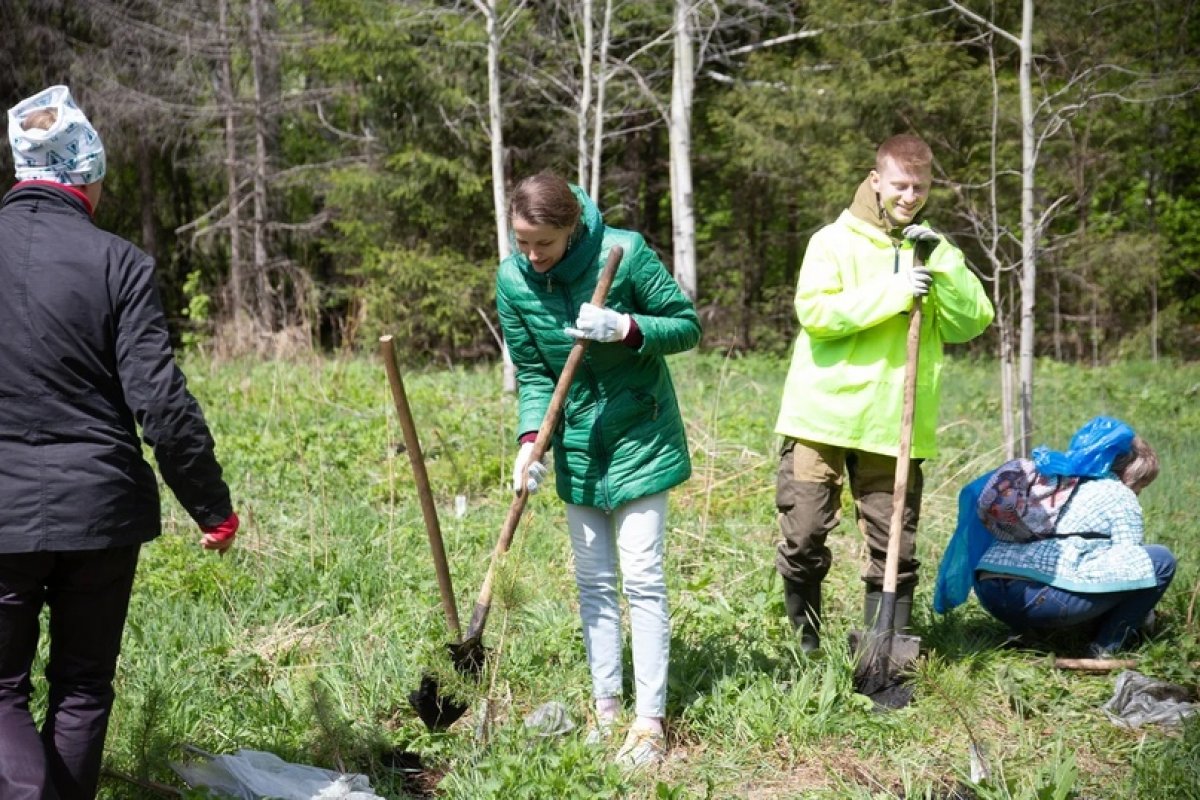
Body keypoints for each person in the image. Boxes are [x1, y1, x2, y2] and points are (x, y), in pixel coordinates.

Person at [0, 85, 239, 799]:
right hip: (100, 514)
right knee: (81, 686)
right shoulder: (120, 263)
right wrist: (212, 508)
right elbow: (162, 403)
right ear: (84, 175)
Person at [495, 172, 700, 768]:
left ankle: (649, 724)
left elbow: (686, 325)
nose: (532, 257)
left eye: (545, 244)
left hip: (641, 434)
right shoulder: (513, 280)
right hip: (579, 447)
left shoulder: (626, 252)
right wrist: (532, 442)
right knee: (594, 585)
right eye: (522, 242)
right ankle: (607, 709)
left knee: (642, 579)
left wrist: (628, 328)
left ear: (573, 228)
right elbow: (534, 373)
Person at [773, 134, 994, 652]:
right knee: (803, 535)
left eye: (920, 186)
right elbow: (817, 314)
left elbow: (973, 321)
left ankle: (883, 651)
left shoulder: (933, 248)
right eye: (900, 184)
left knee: (894, 546)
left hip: (893, 423)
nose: (909, 195)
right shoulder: (832, 241)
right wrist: (895, 292)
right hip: (820, 418)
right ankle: (805, 650)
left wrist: (938, 262)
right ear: (876, 180)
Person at [965, 420, 1174, 658]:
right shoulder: (1119, 494)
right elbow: (1131, 566)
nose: (1138, 492)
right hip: (1042, 602)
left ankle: (1024, 635)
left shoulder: (1053, 480)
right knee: (1160, 560)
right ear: (1130, 473)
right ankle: (1106, 647)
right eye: (1141, 485)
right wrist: (1141, 614)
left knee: (1048, 564)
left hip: (989, 588)